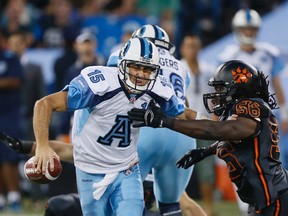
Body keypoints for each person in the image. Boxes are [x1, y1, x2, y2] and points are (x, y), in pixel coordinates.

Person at [32, 37, 199, 216]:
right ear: (122, 64)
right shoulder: (98, 84)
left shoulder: (157, 89)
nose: (141, 75)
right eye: (136, 66)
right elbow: (44, 104)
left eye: (147, 69)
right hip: (90, 168)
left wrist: (216, 124)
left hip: (126, 168)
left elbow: (184, 113)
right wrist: (42, 146)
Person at [128, 60, 288, 216]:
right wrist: (205, 151)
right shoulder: (243, 112)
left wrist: (166, 122)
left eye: (221, 88)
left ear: (238, 87)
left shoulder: (251, 107)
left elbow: (220, 130)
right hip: (265, 198)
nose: (217, 94)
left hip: (274, 198)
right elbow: (234, 140)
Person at [0, 131, 207, 216]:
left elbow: (186, 203)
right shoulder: (119, 148)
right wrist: (26, 146)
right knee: (58, 206)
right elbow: (66, 150)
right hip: (102, 208)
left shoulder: (160, 160)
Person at [108, 24, 199, 215]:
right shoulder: (181, 65)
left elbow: (112, 89)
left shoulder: (123, 55)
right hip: (182, 135)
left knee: (121, 198)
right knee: (171, 205)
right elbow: (183, 102)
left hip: (144, 128)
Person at [217, 8, 288, 169]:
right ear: (237, 30)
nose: (248, 33)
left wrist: (284, 114)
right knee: (245, 157)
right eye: (245, 29)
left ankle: (278, 192)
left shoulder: (269, 53)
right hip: (242, 113)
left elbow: (277, 84)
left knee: (275, 156)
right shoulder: (228, 55)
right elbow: (222, 90)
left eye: (252, 29)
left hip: (269, 111)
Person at [180, 33, 215, 216]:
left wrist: (216, 121)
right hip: (182, 125)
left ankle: (208, 208)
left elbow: (215, 100)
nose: (192, 50)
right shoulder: (177, 68)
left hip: (203, 124)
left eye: (195, 46)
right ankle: (177, 204)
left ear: (199, 48)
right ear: (182, 49)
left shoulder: (209, 70)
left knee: (206, 168)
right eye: (188, 46)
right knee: (174, 164)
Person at [0, 29, 24, 212]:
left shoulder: (10, 57)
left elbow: (15, 81)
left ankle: (14, 196)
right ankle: (1, 198)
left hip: (8, 113)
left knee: (10, 154)